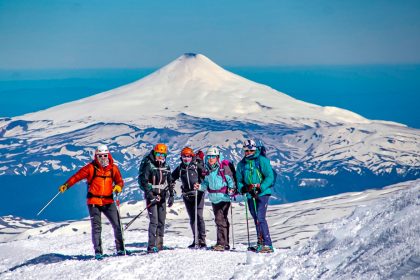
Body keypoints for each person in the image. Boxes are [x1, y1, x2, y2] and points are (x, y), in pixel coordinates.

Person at [58, 144, 125, 260]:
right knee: (96, 227)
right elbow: (77, 177)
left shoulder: (113, 168)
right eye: (100, 156)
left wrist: (118, 187)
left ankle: (120, 249)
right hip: (94, 201)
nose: (103, 158)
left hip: (108, 200)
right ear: (96, 156)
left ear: (108, 155)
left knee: (117, 224)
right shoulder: (91, 168)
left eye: (105, 155)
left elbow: (119, 181)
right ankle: (98, 252)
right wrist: (66, 185)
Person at [236, 139, 275, 253]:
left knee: (260, 217)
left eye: (250, 150)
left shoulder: (262, 161)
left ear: (255, 149)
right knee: (256, 218)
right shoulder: (241, 164)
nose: (248, 152)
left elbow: (269, 177)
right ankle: (260, 243)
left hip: (262, 193)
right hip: (250, 194)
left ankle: (267, 244)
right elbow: (239, 180)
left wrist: (260, 187)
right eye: (246, 150)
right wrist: (243, 188)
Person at [138, 143, 174, 253]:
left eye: (162, 155)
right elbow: (144, 181)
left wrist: (171, 195)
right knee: (154, 221)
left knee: (161, 221)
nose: (160, 157)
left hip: (162, 197)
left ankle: (159, 245)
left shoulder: (166, 167)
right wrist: (150, 195)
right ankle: (151, 246)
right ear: (154, 153)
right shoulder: (149, 165)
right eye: (158, 154)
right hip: (152, 197)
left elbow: (170, 181)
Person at [200, 146, 235, 251]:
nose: (211, 159)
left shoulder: (223, 168)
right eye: (209, 156)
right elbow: (206, 183)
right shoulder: (208, 169)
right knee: (222, 220)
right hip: (214, 198)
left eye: (213, 157)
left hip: (224, 197)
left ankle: (221, 243)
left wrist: (232, 190)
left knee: (220, 219)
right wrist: (200, 187)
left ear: (217, 157)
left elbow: (230, 181)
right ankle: (225, 243)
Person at [171, 147, 206, 248]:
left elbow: (204, 177)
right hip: (187, 195)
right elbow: (172, 177)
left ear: (192, 157)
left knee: (199, 216)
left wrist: (200, 185)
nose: (186, 159)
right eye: (184, 157)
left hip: (198, 194)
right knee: (192, 218)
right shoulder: (180, 168)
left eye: (188, 157)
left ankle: (202, 240)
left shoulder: (197, 166)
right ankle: (196, 239)